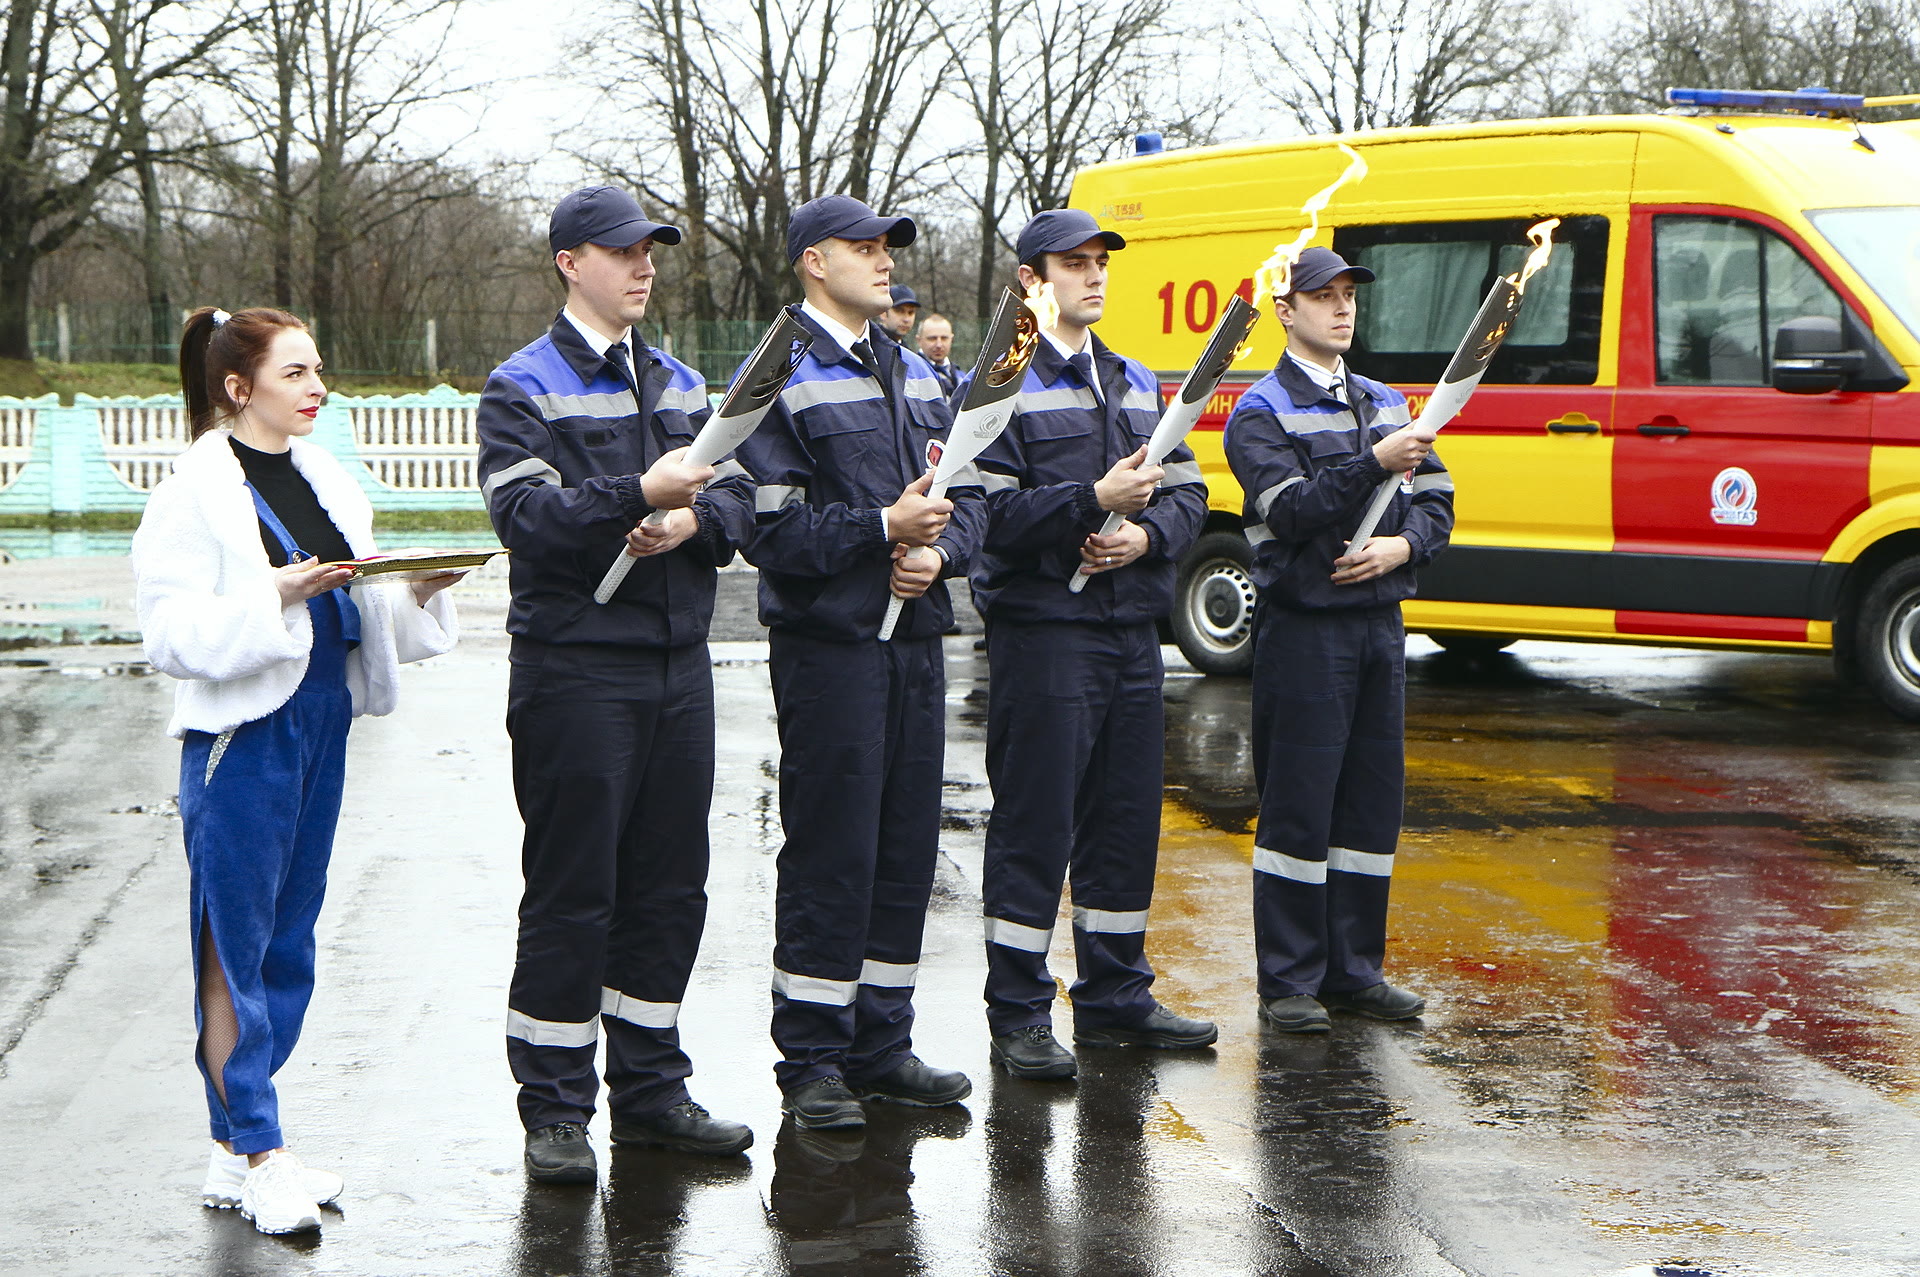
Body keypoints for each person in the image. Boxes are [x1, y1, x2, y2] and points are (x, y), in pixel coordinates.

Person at [132, 306, 460, 1235]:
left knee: (287, 941)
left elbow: (347, 608)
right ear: (239, 388)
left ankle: (234, 1147)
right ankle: (262, 1148)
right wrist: (268, 593)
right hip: (245, 734)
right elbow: (168, 633)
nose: (319, 388)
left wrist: (416, 590)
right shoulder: (192, 491)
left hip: (321, 722)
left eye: (320, 370)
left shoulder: (322, 476)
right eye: (297, 373)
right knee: (233, 947)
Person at [477, 186, 758, 1184]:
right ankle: (555, 1107)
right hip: (576, 670)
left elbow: (740, 498)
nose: (644, 266)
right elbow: (528, 522)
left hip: (679, 670)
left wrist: (691, 521)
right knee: (573, 890)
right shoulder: (523, 386)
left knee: (669, 886)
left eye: (652, 251)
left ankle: (649, 1092)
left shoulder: (685, 383)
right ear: (569, 262)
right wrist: (637, 495)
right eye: (623, 251)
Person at [738, 194, 984, 1130]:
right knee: (833, 849)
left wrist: (941, 553)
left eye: (889, 247)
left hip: (918, 648)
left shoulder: (921, 375)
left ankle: (882, 1042)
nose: (883, 259)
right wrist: (881, 529)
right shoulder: (777, 376)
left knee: (903, 849)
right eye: (863, 246)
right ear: (812, 261)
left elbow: (973, 500)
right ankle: (813, 1060)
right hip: (832, 648)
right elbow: (770, 529)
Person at [971, 209, 1216, 1080]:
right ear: (1033, 281)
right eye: (1075, 264)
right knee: (1037, 822)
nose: (1096, 277)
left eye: (1100, 263)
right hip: (1046, 634)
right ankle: (1020, 1010)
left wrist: (1146, 539)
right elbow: (987, 512)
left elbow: (1190, 495)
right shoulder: (1000, 379)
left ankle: (1115, 996)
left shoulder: (1136, 378)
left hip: (1128, 632)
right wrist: (1089, 500)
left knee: (1123, 821)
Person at [1221, 246, 1454, 1034]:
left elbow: (1439, 495)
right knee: (1299, 808)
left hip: (1379, 628)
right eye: (1324, 296)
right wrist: (1373, 463)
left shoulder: (1388, 399)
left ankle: (1354, 970)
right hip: (1306, 633)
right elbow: (1291, 510)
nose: (1343, 308)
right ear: (1286, 310)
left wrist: (1405, 546)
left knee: (1368, 805)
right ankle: (1289, 978)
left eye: (1349, 294)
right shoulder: (1260, 412)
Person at [917, 313, 960, 396]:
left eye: (944, 338)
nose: (939, 345)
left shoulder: (960, 375)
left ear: (952, 339)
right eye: (932, 339)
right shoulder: (912, 373)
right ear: (919, 340)